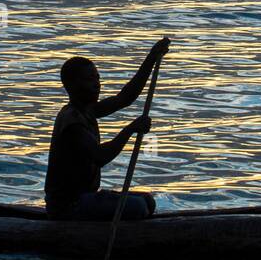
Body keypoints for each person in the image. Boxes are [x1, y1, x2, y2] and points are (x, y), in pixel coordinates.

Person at [45, 37, 170, 221]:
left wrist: (151, 57)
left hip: (86, 198)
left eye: (97, 78)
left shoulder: (88, 111)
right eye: (89, 79)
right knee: (139, 207)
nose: (97, 84)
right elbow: (100, 156)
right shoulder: (72, 121)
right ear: (72, 86)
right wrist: (130, 129)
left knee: (148, 201)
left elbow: (125, 97)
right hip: (69, 206)